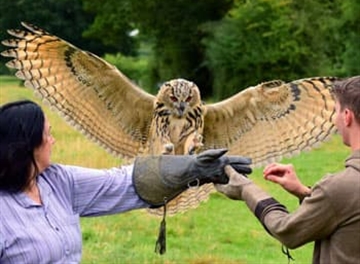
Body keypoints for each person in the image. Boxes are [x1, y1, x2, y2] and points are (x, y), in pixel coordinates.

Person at [0, 100, 252, 263]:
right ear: (29, 145)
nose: (53, 141)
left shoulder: (58, 181)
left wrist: (194, 168)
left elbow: (122, 182)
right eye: (48, 134)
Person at [216, 76, 360, 264]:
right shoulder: (341, 192)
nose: (334, 120)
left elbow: (287, 230)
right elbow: (347, 210)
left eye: (336, 111)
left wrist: (246, 189)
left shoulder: (341, 188)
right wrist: (306, 193)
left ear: (347, 116)